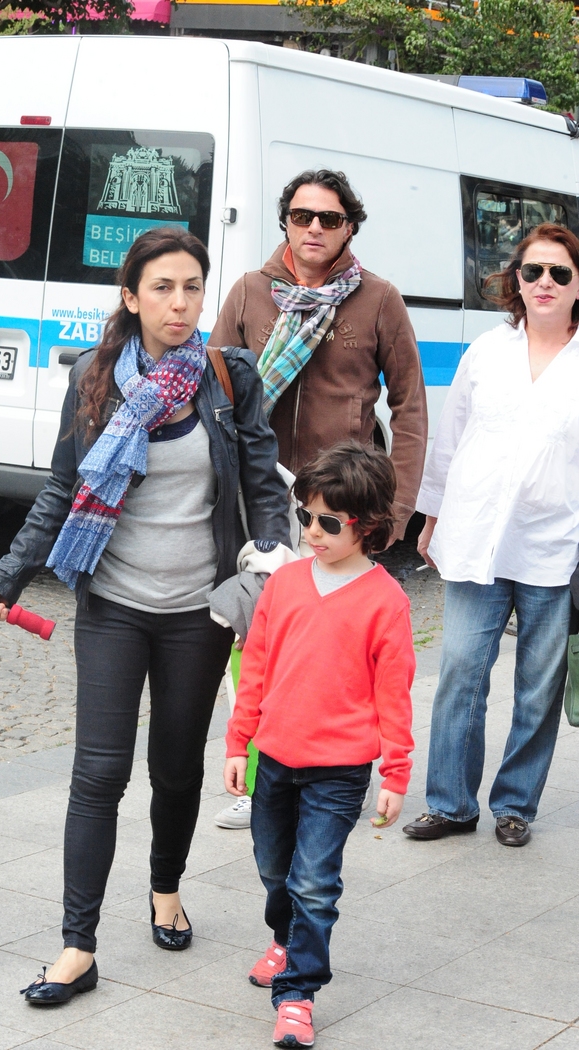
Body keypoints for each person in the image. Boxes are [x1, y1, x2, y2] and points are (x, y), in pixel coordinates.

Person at [0, 227, 291, 1003]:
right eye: (163, 288)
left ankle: (165, 888)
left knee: (174, 768)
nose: (180, 303)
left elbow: (261, 481)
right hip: (112, 603)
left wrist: (271, 558)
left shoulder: (228, 376)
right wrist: (5, 578)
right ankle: (77, 946)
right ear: (130, 297)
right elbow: (61, 489)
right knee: (98, 774)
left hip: (198, 611)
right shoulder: (93, 376)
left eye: (192, 288)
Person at [212, 167, 426, 830]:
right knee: (254, 634)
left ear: (348, 227)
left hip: (339, 505)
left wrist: (395, 509)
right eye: (301, 215)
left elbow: (410, 406)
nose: (313, 228)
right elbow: (212, 388)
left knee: (330, 648)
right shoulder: (250, 292)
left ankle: (332, 770)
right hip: (259, 495)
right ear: (285, 220)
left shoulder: (378, 299)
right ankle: (257, 775)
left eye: (328, 218)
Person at [224, 441, 415, 1049]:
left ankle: (298, 994)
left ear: (368, 525)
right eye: (305, 515)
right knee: (273, 869)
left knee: (313, 883)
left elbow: (395, 696)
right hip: (276, 759)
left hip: (340, 770)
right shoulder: (284, 585)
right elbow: (255, 668)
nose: (310, 531)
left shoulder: (387, 602)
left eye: (328, 523)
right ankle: (284, 941)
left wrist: (396, 774)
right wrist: (238, 743)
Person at [403, 222, 579, 849]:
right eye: (533, 271)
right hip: (476, 534)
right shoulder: (486, 350)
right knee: (460, 671)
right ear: (517, 281)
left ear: (578, 284)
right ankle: (450, 803)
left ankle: (515, 804)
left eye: (560, 272)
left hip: (553, 545)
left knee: (538, 687)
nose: (544, 282)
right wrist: (431, 516)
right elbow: (450, 439)